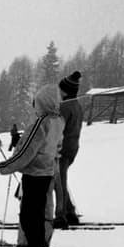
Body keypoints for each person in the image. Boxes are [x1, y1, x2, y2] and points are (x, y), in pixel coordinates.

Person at [0, 84, 64, 247]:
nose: (35, 106)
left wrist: (2, 167)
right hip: (47, 175)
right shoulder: (58, 122)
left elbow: (25, 152)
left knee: (28, 219)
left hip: (34, 176)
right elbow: (58, 149)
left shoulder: (40, 123)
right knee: (37, 219)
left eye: (37, 102)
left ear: (43, 103)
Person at [54, 71, 84, 228]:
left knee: (58, 182)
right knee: (61, 180)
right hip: (72, 148)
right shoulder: (77, 105)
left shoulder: (64, 107)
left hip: (62, 149)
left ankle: (61, 215)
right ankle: (70, 212)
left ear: (66, 91)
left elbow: (57, 129)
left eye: (60, 89)